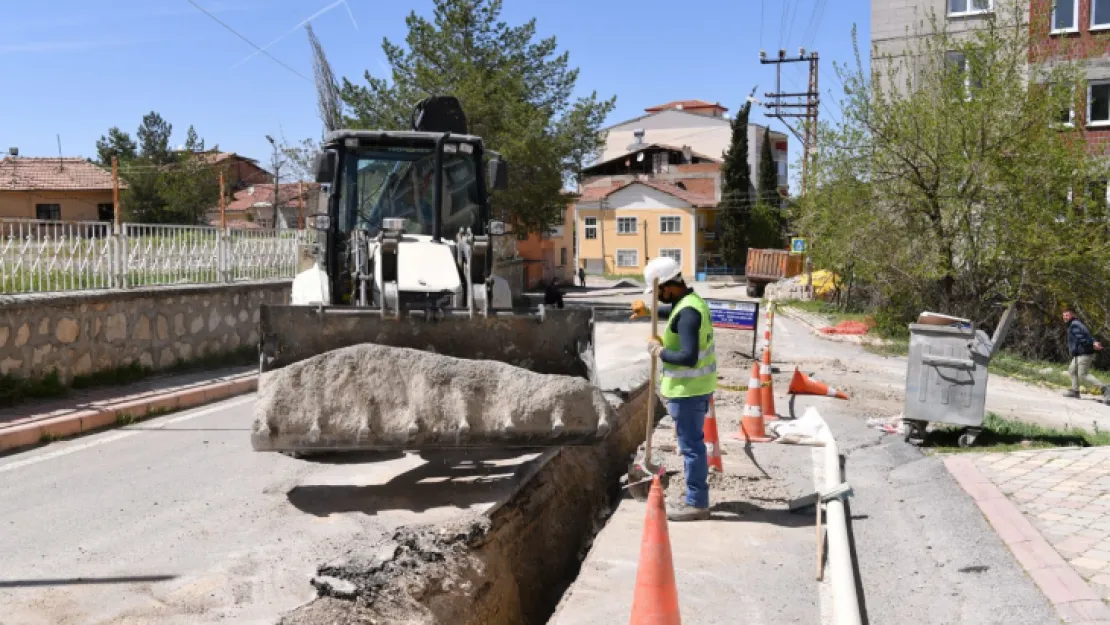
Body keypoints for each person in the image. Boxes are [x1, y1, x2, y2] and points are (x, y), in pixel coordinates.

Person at [631, 257, 716, 522]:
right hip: (693, 388)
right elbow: (675, 315)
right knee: (692, 445)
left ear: (668, 286)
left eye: (657, 293)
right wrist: (650, 312)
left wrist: (661, 351)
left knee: (692, 448)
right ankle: (696, 496)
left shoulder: (688, 313)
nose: (658, 297)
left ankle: (697, 503)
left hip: (687, 390)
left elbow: (689, 357)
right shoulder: (690, 303)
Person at [1063, 309, 1108, 402]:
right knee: (1072, 370)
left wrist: (1092, 344)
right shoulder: (1077, 324)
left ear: (1072, 315)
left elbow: (1082, 338)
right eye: (1064, 315)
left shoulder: (1074, 325)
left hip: (1084, 353)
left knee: (1083, 374)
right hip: (1079, 353)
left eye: (1067, 315)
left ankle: (1105, 388)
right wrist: (1094, 342)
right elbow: (1087, 335)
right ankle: (1075, 391)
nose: (1065, 317)